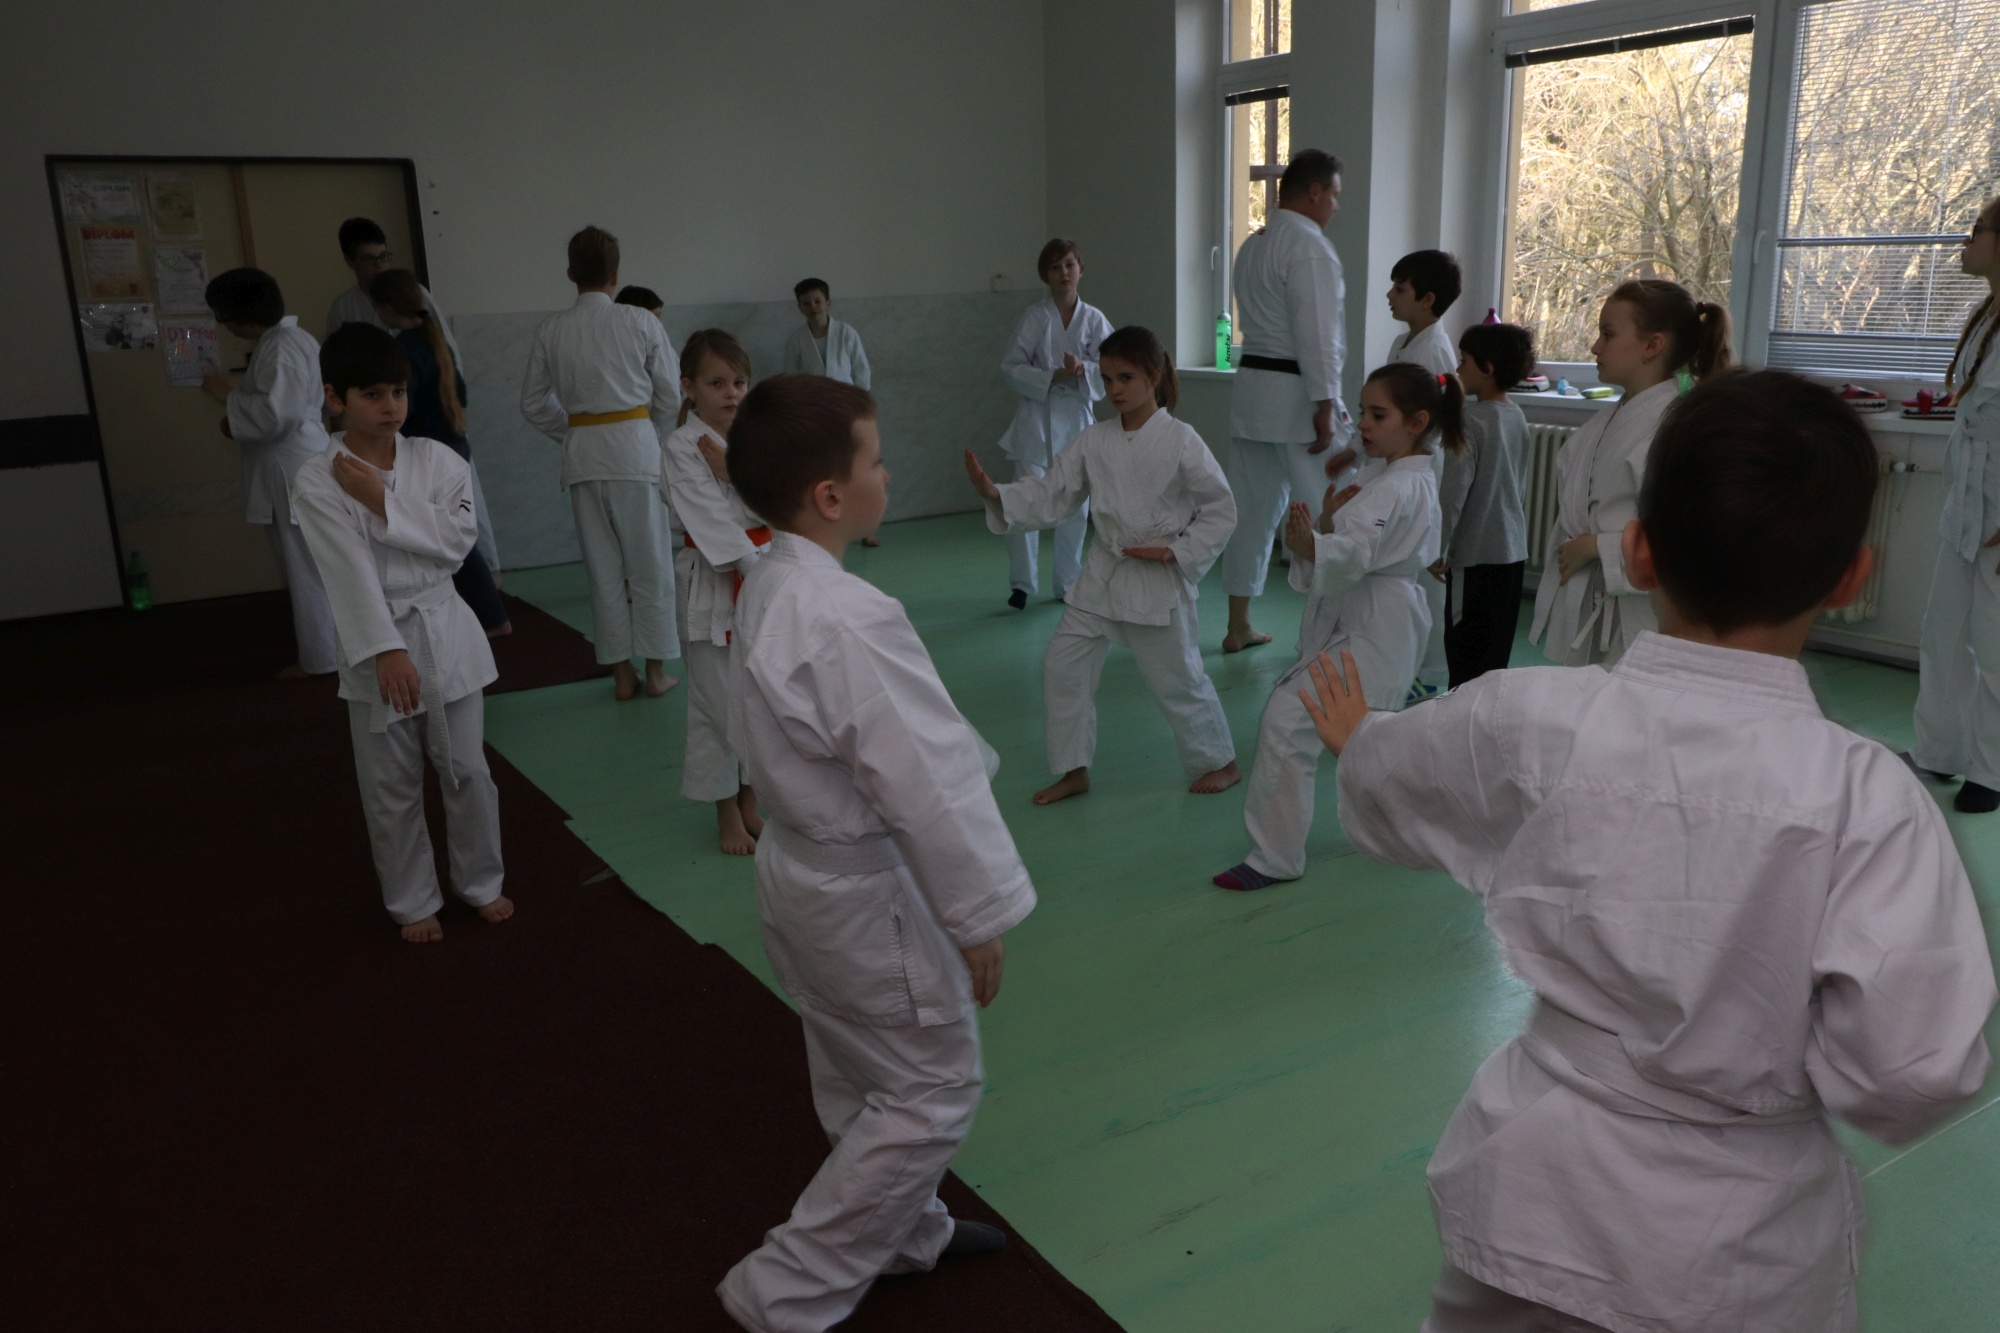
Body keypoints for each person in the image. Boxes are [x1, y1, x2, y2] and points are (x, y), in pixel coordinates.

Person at [1299, 369, 1996, 1333]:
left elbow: (1406, 777)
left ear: (1638, 549)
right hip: (1736, 1244)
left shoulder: (1538, 717)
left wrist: (1361, 742)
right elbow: (1914, 1069)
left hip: (1533, 1188)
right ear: (1851, 578)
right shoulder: (1868, 799)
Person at [715, 374, 1035, 1332]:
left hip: (802, 876)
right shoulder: (845, 615)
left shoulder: (771, 581)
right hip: (861, 893)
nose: (887, 475)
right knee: (934, 1087)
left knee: (857, 1066)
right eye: (877, 461)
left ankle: (904, 1235)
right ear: (830, 495)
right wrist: (974, 916)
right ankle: (782, 1293)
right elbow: (922, 779)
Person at [292, 325, 513, 944]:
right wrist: (386, 649)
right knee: (391, 784)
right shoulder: (318, 477)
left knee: (468, 769)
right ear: (334, 398)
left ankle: (480, 882)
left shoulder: (439, 460)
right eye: (372, 395)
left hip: (445, 626)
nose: (390, 406)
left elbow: (457, 542)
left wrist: (381, 500)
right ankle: (412, 899)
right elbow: (347, 570)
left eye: (398, 392)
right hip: (376, 634)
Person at [965, 326, 1240, 805]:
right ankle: (1073, 769)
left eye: (1125, 378)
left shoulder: (1181, 440)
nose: (1114, 389)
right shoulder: (1094, 439)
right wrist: (997, 494)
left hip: (1154, 580)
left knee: (1178, 678)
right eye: (1108, 379)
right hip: (1101, 575)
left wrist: (1177, 551)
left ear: (1154, 377)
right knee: (1063, 667)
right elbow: (1054, 493)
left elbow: (1221, 507)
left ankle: (1220, 762)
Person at [1212, 363, 1452, 891]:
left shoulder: (1399, 485)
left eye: (1377, 415)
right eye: (1362, 411)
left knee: (1291, 720)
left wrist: (1313, 545)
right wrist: (1323, 529)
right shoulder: (1383, 475)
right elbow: (1351, 545)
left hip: (1376, 624)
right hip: (1368, 617)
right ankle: (1418, 823)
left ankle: (1274, 857)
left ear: (1416, 422)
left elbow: (1356, 554)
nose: (1362, 423)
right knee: (1360, 737)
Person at [1529, 278, 1731, 668]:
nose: (1595, 347)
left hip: (1647, 616)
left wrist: (1596, 547)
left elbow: (1689, 540)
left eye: (1607, 334)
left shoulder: (1679, 426)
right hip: (1599, 600)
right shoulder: (1615, 418)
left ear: (1652, 345)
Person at [520, 225, 682, 700]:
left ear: (570, 273)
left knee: (603, 569)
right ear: (616, 275)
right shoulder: (640, 321)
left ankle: (621, 674)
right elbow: (670, 394)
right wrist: (641, 427)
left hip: (583, 457)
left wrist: (576, 430)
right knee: (650, 565)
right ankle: (656, 672)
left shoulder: (552, 329)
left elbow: (532, 404)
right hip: (634, 451)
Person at [1222, 149, 1353, 654]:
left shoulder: (1253, 245)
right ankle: (1336, 628)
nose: (1336, 206)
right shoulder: (1309, 247)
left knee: (1251, 513)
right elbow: (1318, 333)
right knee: (1330, 511)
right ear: (1314, 192)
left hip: (1253, 393)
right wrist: (1326, 402)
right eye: (1334, 195)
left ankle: (1238, 624)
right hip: (1298, 397)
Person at [659, 329, 768, 855]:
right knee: (714, 702)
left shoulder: (755, 437)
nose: (731, 392)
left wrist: (735, 473)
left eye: (739, 382)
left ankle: (749, 798)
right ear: (689, 387)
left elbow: (779, 505)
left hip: (763, 569)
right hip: (714, 579)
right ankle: (725, 811)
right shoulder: (680, 447)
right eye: (716, 382)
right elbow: (711, 521)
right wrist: (763, 575)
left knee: (755, 696)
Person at [200, 267, 338, 680]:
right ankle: (332, 652)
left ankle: (322, 659)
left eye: (224, 318)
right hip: (297, 460)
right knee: (312, 565)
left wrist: (226, 395)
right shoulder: (289, 340)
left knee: (306, 568)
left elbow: (278, 416)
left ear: (242, 319)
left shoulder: (282, 346)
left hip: (293, 465)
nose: (224, 326)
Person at [1910, 195, 2000, 814]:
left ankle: (1992, 772)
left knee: (1996, 646)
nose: (1965, 244)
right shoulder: (1984, 314)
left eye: (1976, 230)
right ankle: (1938, 750)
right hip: (1966, 500)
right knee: (1942, 632)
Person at [370, 269, 510, 638]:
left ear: (386, 308)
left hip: (428, 449)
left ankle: (492, 618)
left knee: (447, 539)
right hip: (452, 444)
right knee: (449, 535)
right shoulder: (433, 339)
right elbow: (459, 395)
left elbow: (405, 406)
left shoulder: (404, 348)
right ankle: (489, 616)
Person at [994, 240, 1114, 607]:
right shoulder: (1035, 317)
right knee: (1024, 498)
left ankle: (1068, 583)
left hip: (1077, 419)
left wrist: (1084, 369)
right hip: (1035, 420)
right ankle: (1022, 583)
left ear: (1081, 269)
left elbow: (1113, 367)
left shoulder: (1094, 320)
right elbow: (1011, 367)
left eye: (1069, 265)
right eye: (1055, 267)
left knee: (1075, 505)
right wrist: (1052, 376)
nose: (1064, 273)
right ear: (1045, 275)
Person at [1437, 322, 1533, 686]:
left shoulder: (1469, 421)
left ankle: (1460, 720)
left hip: (1475, 557)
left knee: (1464, 658)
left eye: (1464, 361)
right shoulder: (1517, 416)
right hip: (1512, 553)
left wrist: (1437, 548)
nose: (1458, 368)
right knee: (1494, 657)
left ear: (1488, 368)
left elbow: (1452, 495)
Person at [1387, 250, 1464, 700]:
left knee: (1423, 576)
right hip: (1400, 467)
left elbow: (1429, 423)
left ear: (1427, 299)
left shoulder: (1433, 349)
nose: (1389, 296)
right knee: (1403, 569)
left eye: (1400, 288)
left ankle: (1431, 671)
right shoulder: (1405, 343)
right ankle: (1407, 662)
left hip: (1422, 472)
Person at [782, 278, 873, 389]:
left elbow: (861, 369)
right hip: (811, 397)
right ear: (800, 308)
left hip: (845, 396)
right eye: (806, 303)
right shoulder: (796, 339)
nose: (813, 307)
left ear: (828, 303)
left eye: (817, 301)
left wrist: (859, 397)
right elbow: (790, 375)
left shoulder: (846, 333)